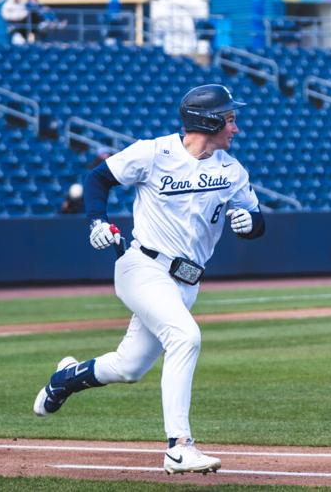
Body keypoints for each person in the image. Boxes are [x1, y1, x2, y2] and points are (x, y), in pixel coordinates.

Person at [31, 84, 266, 476]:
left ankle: (64, 379)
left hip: (186, 284)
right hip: (142, 267)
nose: (235, 128)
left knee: (129, 367)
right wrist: (96, 221)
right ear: (207, 121)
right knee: (185, 337)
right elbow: (97, 179)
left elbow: (257, 220)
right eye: (229, 119)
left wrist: (251, 223)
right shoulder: (154, 153)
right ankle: (179, 447)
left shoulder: (231, 170)